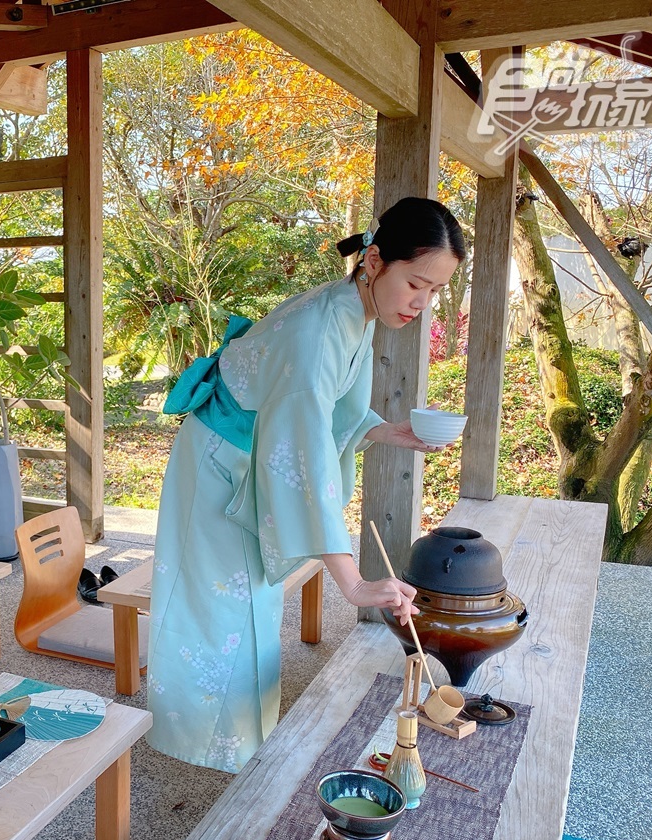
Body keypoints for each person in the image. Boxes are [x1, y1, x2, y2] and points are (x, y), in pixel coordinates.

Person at [146, 197, 466, 773]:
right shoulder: (322, 327)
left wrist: (390, 431)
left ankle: (243, 743)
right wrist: (353, 582)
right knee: (222, 607)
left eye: (436, 290)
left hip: (255, 454)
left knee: (251, 603)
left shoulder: (355, 311)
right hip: (222, 460)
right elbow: (305, 455)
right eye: (417, 283)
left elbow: (333, 415)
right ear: (374, 262)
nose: (424, 303)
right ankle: (207, 741)